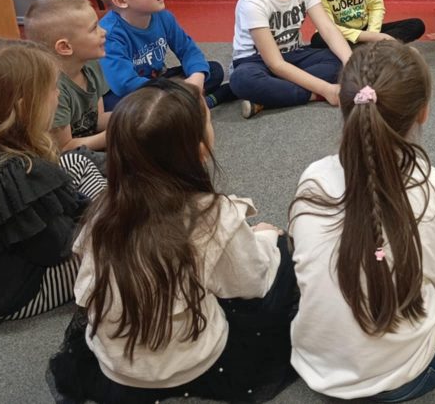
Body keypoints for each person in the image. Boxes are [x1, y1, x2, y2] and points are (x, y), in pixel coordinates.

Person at [47, 80, 298, 402]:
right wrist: (264, 237)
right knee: (282, 254)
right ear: (201, 149)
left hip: (115, 367)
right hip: (192, 364)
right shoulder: (213, 215)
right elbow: (251, 283)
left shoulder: (101, 213)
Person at [290, 41, 435, 400]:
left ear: (344, 105)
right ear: (422, 112)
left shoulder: (312, 178)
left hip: (316, 367)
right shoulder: (429, 189)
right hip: (404, 377)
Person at [0, 39, 106, 322]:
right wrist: (97, 224)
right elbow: (57, 248)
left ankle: (115, 213)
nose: (59, 95)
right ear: (25, 108)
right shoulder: (18, 173)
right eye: (53, 89)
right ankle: (123, 219)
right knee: (122, 251)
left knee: (75, 162)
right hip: (16, 292)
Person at [91, 0, 233, 110]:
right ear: (121, 1)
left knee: (213, 70)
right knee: (118, 107)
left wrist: (196, 78)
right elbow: (124, 84)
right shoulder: (109, 33)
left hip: (160, 80)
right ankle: (204, 102)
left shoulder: (163, 16)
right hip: (133, 92)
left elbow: (188, 50)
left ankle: (178, 106)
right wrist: (176, 88)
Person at [24, 0, 109, 161]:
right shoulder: (53, 88)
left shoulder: (91, 66)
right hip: (63, 159)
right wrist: (115, 134)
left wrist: (131, 117)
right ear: (65, 47)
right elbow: (64, 148)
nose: (104, 31)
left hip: (87, 147)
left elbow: (97, 119)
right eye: (94, 28)